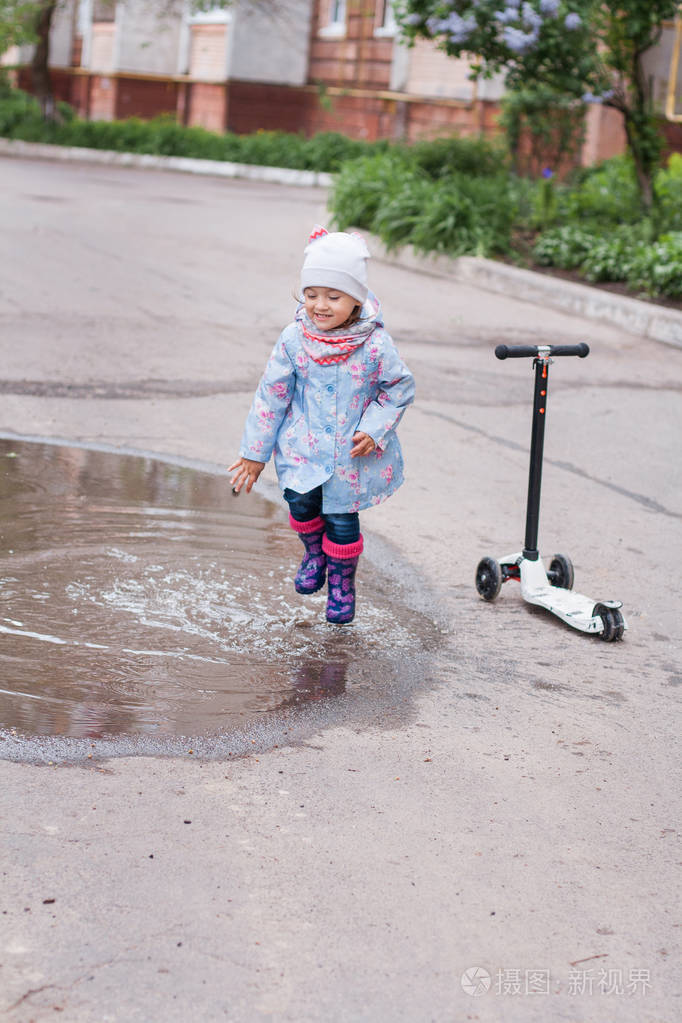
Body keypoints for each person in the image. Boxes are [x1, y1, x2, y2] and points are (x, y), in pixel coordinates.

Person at [229, 227, 415, 624]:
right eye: (311, 294)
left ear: (356, 300)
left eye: (334, 296)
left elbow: (398, 388)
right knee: (299, 503)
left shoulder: (375, 345)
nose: (320, 305)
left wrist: (375, 427)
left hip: (349, 456)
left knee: (343, 521)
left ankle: (343, 585)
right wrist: (254, 454)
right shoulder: (294, 340)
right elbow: (271, 395)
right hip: (302, 448)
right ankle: (314, 551)